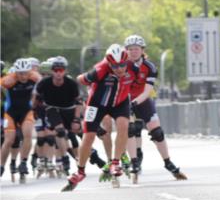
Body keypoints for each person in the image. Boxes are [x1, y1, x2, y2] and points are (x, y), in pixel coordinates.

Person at [63, 44, 135, 191]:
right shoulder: (100, 70)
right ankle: (80, 171)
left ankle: (115, 162)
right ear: (109, 63)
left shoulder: (133, 67)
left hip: (120, 103)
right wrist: (86, 81)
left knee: (123, 126)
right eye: (115, 66)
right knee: (88, 136)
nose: (120, 69)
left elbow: (143, 83)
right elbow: (80, 79)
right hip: (97, 105)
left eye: (122, 65)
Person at [124, 34, 186, 182]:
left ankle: (168, 162)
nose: (133, 52)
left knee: (157, 131)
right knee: (131, 129)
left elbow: (146, 91)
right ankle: (134, 161)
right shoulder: (121, 65)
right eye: (130, 49)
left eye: (136, 49)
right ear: (126, 51)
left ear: (142, 50)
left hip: (143, 99)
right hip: (125, 100)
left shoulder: (149, 67)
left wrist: (135, 102)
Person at [32, 56, 81, 177]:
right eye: (55, 70)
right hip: (49, 109)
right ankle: (58, 158)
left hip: (68, 109)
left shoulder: (71, 83)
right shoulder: (43, 83)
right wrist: (32, 110)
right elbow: (36, 99)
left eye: (61, 70)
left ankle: (79, 157)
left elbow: (79, 102)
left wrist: (77, 119)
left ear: (65, 71)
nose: (58, 73)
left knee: (74, 135)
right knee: (54, 134)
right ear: (51, 71)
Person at [1, 59, 41, 184]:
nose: (23, 76)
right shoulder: (9, 80)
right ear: (15, 72)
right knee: (9, 140)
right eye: (20, 73)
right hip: (10, 113)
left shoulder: (35, 77)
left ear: (29, 71)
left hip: (26, 111)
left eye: (25, 73)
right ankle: (1, 165)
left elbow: (44, 85)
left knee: (27, 134)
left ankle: (23, 162)